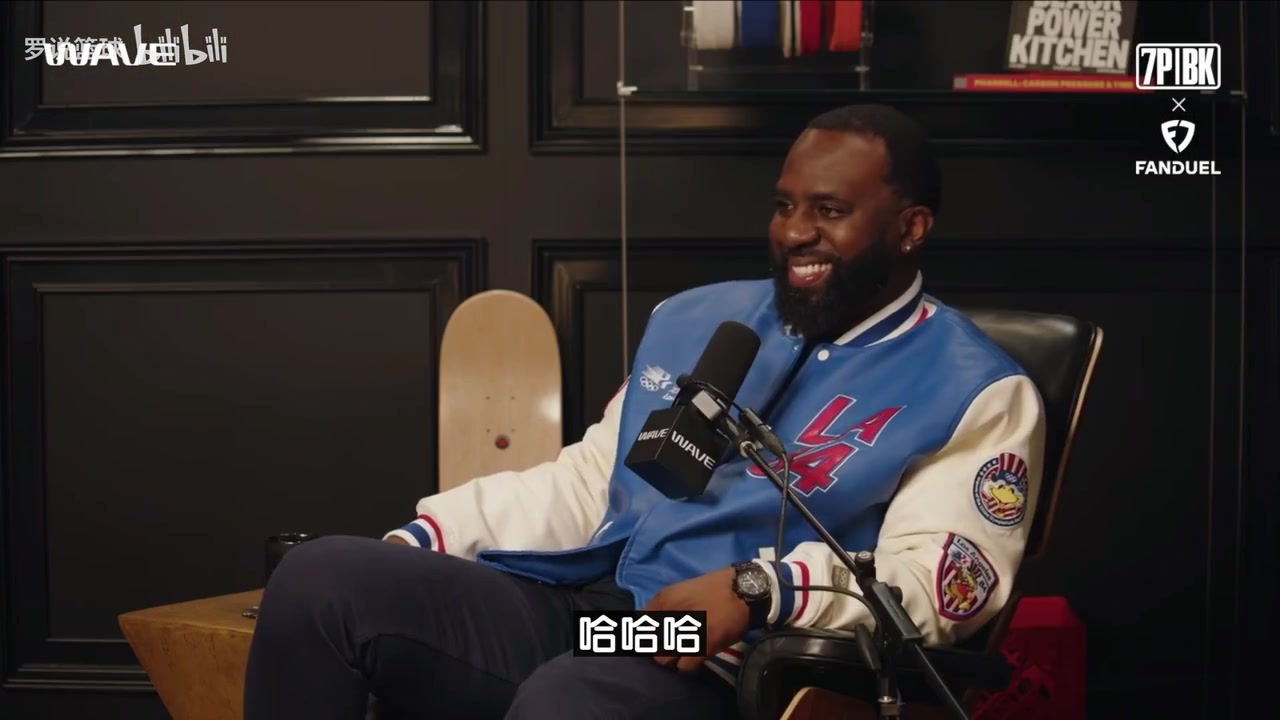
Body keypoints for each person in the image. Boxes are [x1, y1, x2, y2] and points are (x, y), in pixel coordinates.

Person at [243, 104, 1046, 720]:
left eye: (829, 211)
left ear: (909, 229)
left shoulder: (978, 390)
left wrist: (759, 588)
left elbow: (937, 588)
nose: (794, 233)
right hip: (595, 612)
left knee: (569, 700)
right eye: (784, 206)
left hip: (720, 651)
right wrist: (430, 539)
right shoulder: (697, 319)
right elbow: (593, 480)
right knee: (326, 582)